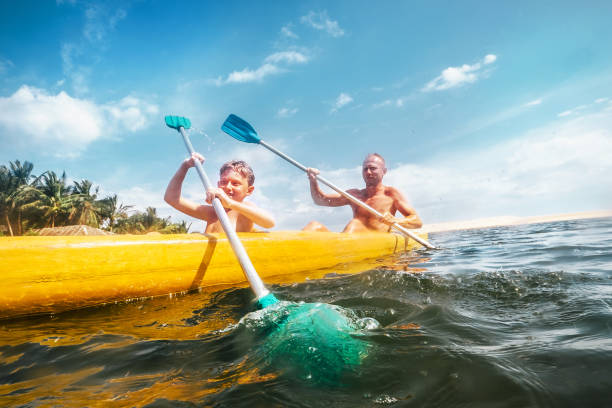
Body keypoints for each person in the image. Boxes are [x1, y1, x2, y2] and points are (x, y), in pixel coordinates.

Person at [303, 153, 422, 233]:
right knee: (314, 226)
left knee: (355, 224)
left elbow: (416, 221)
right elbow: (320, 200)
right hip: (351, 240)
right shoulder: (354, 195)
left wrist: (396, 221)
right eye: (365, 169)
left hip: (377, 243)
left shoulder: (391, 194)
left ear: (384, 171)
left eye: (373, 168)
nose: (368, 172)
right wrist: (313, 180)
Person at [164, 152, 274, 233]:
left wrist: (230, 204)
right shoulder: (212, 212)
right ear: (218, 185)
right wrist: (185, 166)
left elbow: (269, 223)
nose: (228, 187)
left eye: (235, 183)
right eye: (223, 182)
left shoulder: (244, 209)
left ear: (249, 191)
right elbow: (171, 198)